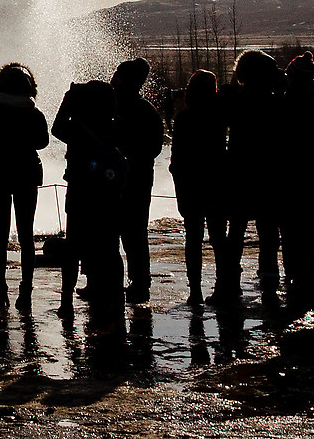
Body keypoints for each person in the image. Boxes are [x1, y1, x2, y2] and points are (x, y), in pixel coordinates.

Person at [50, 76, 124, 325]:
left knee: (73, 249)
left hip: (80, 191)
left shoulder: (77, 128)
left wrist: (67, 102)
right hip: (110, 195)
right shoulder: (115, 127)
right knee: (111, 248)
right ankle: (116, 300)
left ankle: (66, 302)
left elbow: (56, 128)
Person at [216, 50, 282, 302]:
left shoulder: (234, 101)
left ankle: (230, 275)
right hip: (269, 171)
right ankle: (269, 274)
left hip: (239, 170)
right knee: (268, 227)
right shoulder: (277, 102)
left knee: (237, 227)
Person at [0, 63, 50, 309]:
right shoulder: (34, 113)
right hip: (27, 172)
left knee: (0, 234)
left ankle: (1, 290)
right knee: (26, 235)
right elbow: (42, 142)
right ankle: (26, 291)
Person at [273, 53, 314, 302]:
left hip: (287, 172)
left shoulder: (281, 104)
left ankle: (293, 275)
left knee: (288, 227)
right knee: (310, 224)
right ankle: (310, 272)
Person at [166, 69, 229, 308]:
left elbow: (177, 158)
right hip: (216, 182)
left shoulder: (184, 118)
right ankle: (222, 285)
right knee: (218, 238)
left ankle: (195, 290)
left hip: (191, 183)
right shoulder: (220, 115)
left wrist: (179, 185)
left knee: (193, 238)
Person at [107, 59, 164, 304]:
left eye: (118, 74)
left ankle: (136, 282)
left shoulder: (121, 108)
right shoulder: (145, 109)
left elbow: (151, 148)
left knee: (128, 233)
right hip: (136, 177)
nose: (113, 77)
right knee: (129, 232)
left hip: (128, 177)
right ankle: (135, 282)